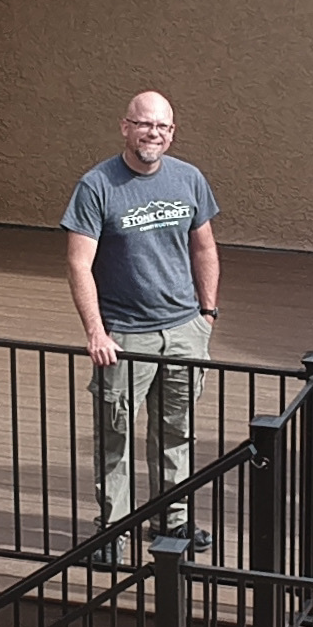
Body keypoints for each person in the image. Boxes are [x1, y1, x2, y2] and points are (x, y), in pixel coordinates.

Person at [61, 91, 220, 543]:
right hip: (126, 336)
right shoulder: (97, 186)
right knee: (116, 437)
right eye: (145, 124)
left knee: (178, 431)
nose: (154, 133)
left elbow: (204, 246)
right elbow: (78, 263)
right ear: (125, 127)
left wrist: (206, 313)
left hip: (184, 328)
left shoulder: (189, 179)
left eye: (163, 127)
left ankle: (172, 523)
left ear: (172, 133)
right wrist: (96, 331)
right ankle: (113, 531)